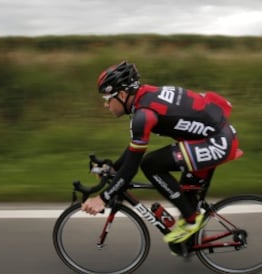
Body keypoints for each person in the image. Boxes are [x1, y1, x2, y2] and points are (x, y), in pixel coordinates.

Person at [82, 60, 239, 244]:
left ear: (123, 95)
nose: (106, 105)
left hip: (216, 142)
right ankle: (190, 239)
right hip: (210, 136)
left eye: (107, 99)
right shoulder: (145, 96)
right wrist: (113, 167)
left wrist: (103, 198)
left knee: (150, 164)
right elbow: (134, 148)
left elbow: (132, 167)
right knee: (186, 199)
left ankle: (191, 221)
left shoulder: (144, 114)